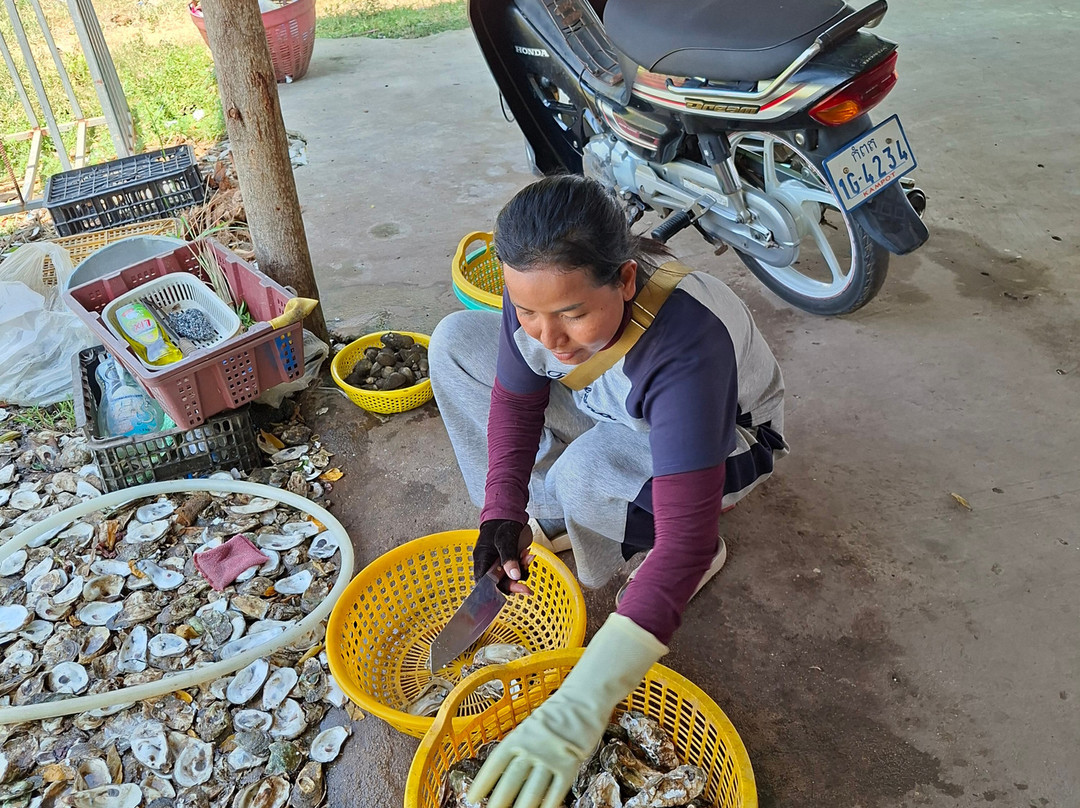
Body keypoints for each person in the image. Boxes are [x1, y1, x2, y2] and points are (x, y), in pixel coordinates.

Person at [428, 175, 787, 808]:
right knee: (456, 342)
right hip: (611, 403)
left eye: (571, 314)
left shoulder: (687, 344)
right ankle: (553, 516)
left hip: (723, 441)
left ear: (624, 279)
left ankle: (622, 535)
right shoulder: (541, 290)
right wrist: (502, 510)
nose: (547, 336)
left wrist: (580, 707)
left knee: (588, 475)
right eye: (527, 310)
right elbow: (516, 398)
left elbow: (683, 540)